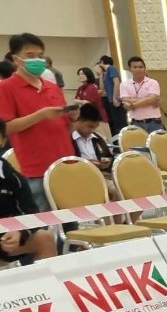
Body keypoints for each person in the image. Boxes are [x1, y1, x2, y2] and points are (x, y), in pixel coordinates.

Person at [0, 33, 78, 210]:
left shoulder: (52, 87)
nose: (37, 60)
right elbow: (6, 127)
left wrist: (73, 118)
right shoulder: (6, 88)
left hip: (65, 163)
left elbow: (65, 128)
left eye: (40, 55)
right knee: (44, 220)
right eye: (30, 55)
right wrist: (40, 115)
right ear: (16, 59)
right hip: (35, 169)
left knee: (71, 219)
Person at [0, 120, 57, 265]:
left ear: (3, 141)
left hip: (3, 238)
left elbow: (31, 213)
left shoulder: (13, 178)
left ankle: (46, 280)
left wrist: (19, 232)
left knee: (45, 238)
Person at [120, 56, 163, 133]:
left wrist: (132, 105)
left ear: (144, 68)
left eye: (141, 67)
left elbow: (152, 99)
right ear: (130, 69)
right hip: (135, 123)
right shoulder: (124, 84)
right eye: (135, 67)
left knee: (157, 141)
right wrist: (147, 100)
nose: (138, 69)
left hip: (153, 122)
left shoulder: (153, 82)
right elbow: (125, 100)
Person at [70, 103, 114, 172]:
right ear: (79, 120)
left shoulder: (97, 138)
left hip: (100, 174)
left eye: (95, 127)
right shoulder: (69, 139)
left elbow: (109, 157)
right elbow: (65, 164)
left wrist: (107, 162)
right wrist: (86, 164)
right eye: (90, 126)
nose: (92, 130)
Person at [97, 55, 125, 134]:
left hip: (116, 100)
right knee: (113, 124)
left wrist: (114, 97)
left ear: (102, 62)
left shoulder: (111, 68)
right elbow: (102, 88)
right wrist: (101, 74)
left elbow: (116, 82)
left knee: (119, 124)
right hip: (110, 101)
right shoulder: (105, 73)